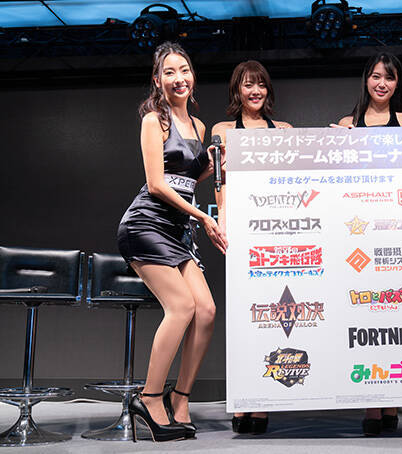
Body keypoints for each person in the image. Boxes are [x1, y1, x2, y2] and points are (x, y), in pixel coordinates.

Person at [117, 41, 227, 442]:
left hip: (178, 230)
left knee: (207, 311)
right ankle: (148, 399)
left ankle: (180, 399)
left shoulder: (199, 126)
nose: (179, 79)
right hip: (146, 224)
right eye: (169, 72)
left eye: (184, 70)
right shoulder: (154, 120)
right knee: (181, 307)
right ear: (157, 79)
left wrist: (210, 169)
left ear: (192, 76)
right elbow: (157, 184)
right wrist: (203, 216)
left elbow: (186, 177)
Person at [335, 52, 402, 436]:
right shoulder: (347, 124)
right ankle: (371, 401)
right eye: (376, 76)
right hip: (359, 230)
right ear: (366, 79)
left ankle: (392, 399)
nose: (382, 83)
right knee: (365, 315)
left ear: (398, 83)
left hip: (401, 230)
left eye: (390, 77)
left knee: (396, 315)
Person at [212, 60, 292, 435]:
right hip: (243, 232)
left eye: (260, 84)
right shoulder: (223, 131)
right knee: (245, 320)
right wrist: (223, 221)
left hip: (278, 234)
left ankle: (262, 403)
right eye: (247, 85)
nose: (255, 91)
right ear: (237, 91)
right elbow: (219, 184)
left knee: (274, 319)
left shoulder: (284, 130)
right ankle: (243, 399)